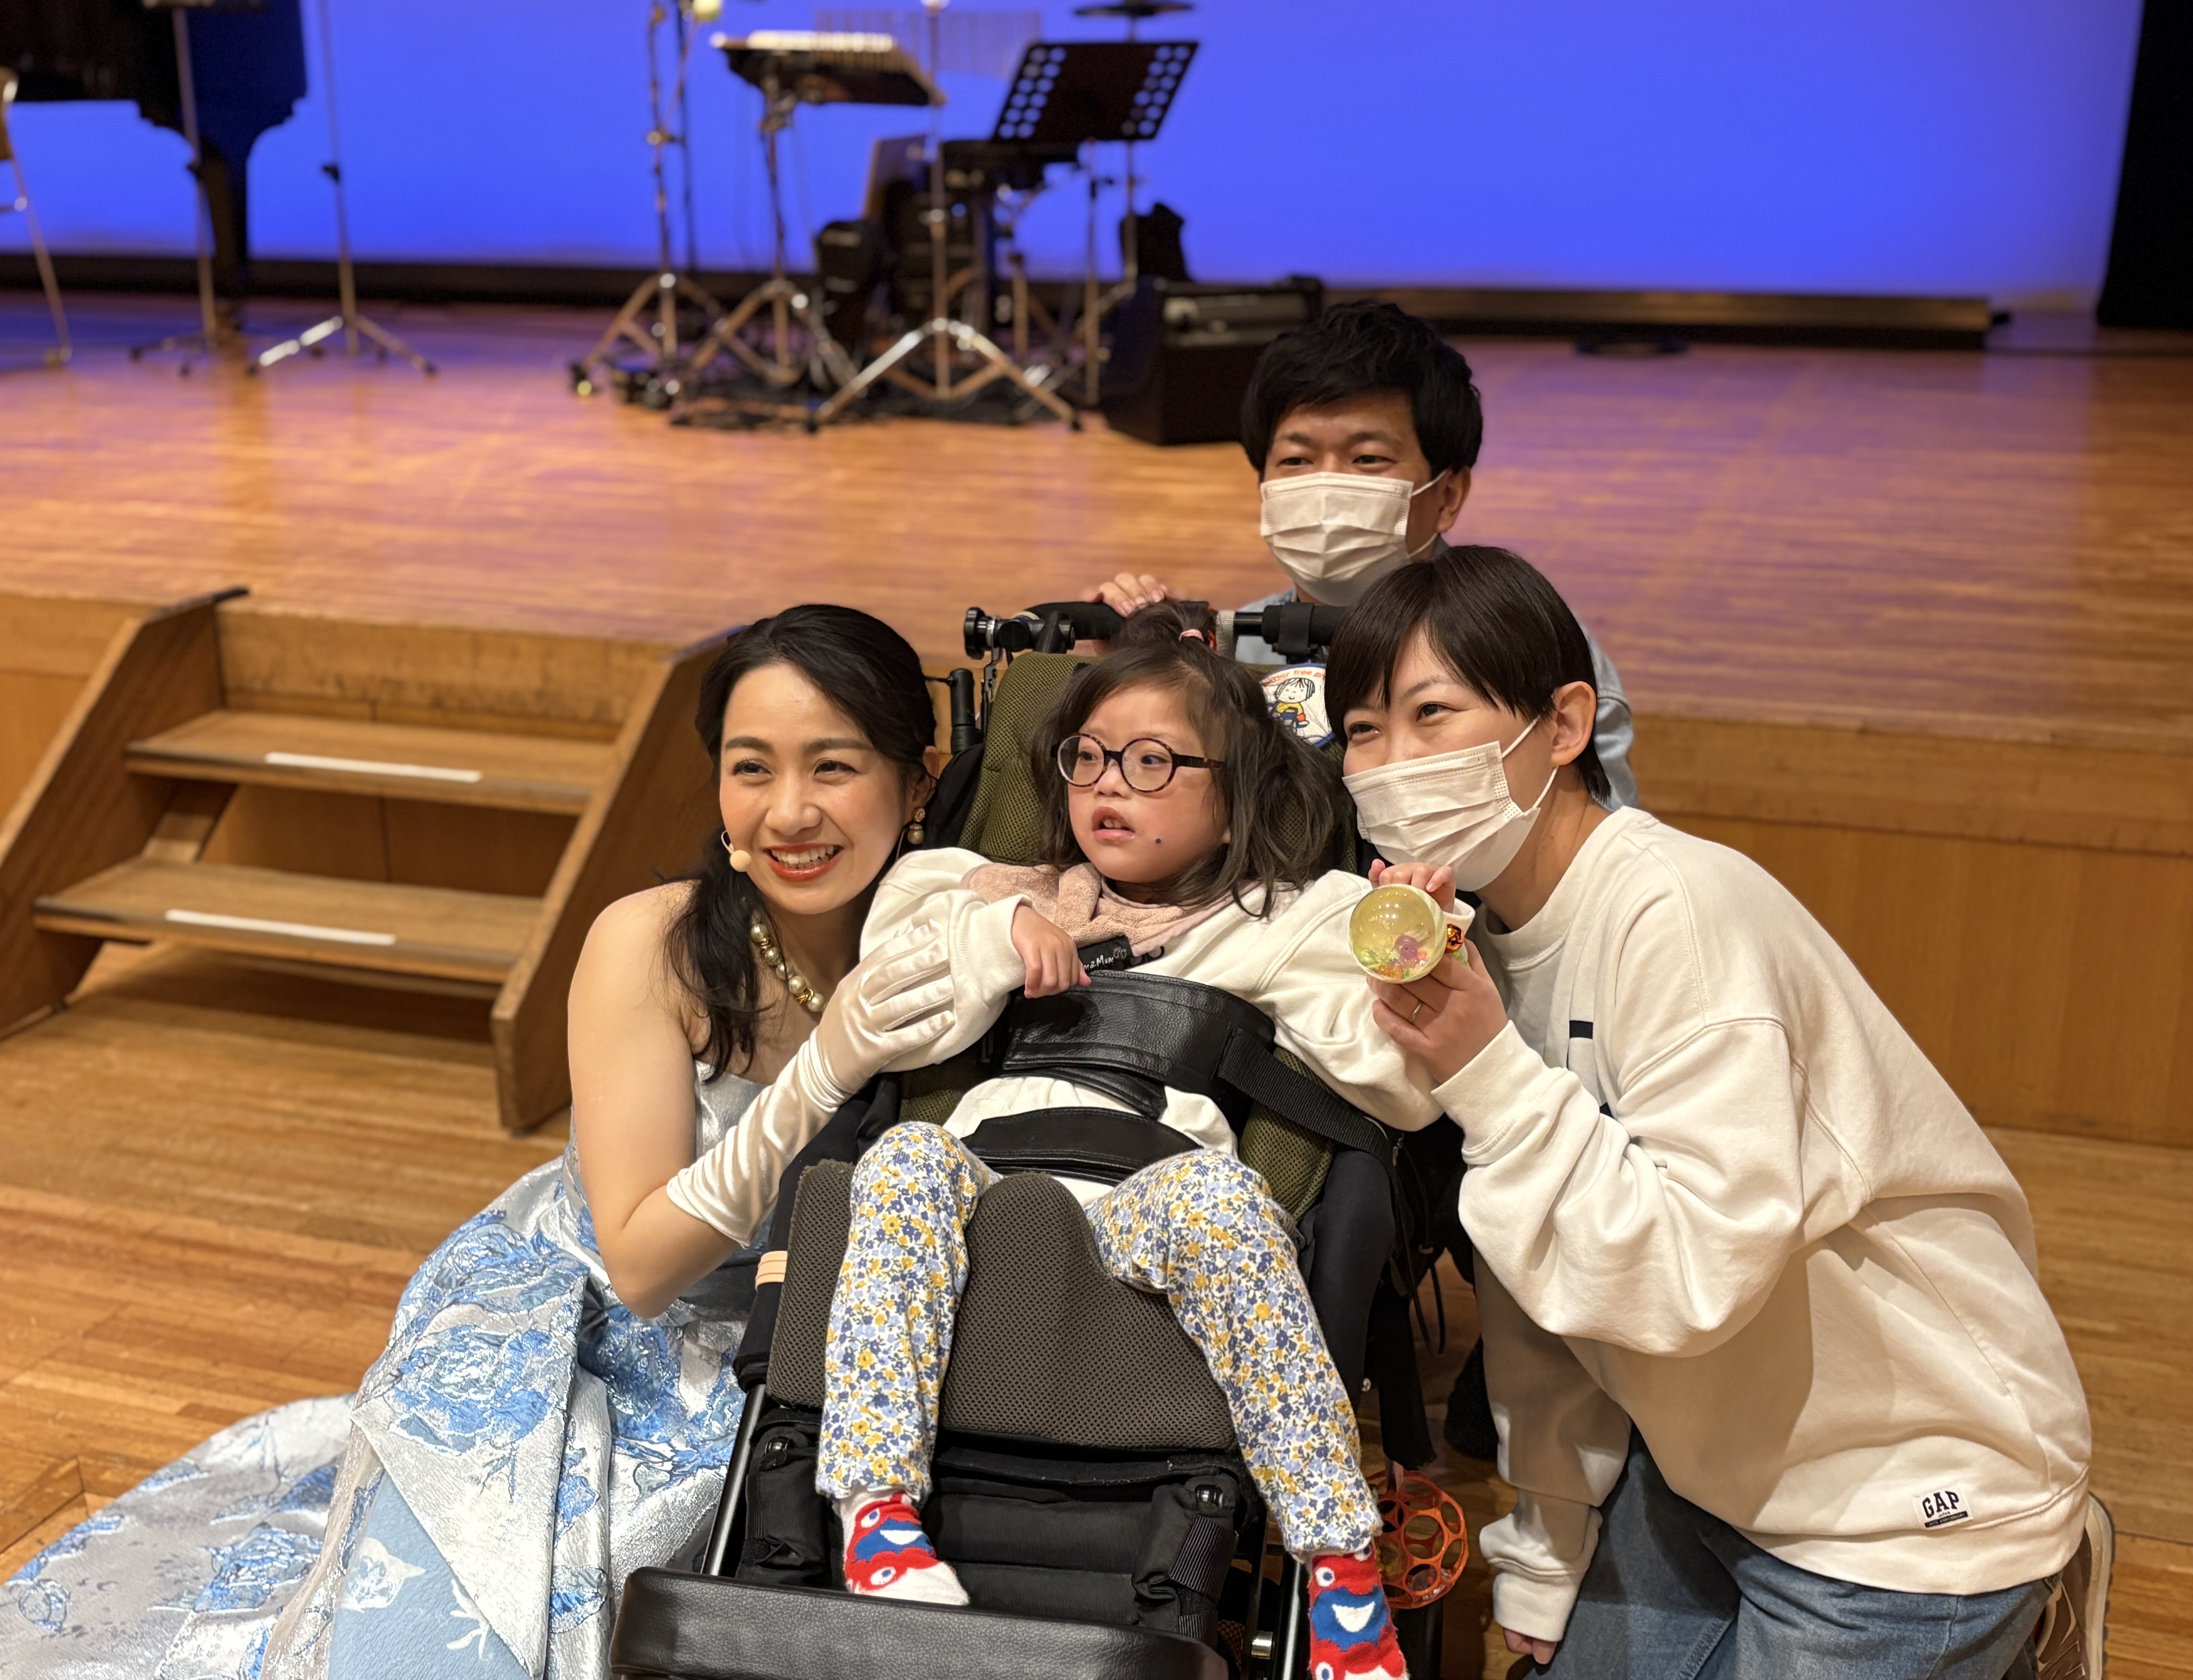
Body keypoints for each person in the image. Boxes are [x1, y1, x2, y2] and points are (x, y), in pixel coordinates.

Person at [0, 606, 962, 1680]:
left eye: (834, 766)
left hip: (789, 1342)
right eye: (751, 767)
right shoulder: (651, 944)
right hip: (586, 1317)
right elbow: (638, 1267)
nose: (789, 811)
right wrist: (822, 1072)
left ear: (919, 783)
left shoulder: (949, 932)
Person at [1327, 546, 2101, 1678]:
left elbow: (1690, 1277)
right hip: (1707, 1469)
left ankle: (2021, 1603)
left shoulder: (1679, 911)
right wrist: (1547, 1539)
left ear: (1564, 724)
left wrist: (1489, 1072)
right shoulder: (1475, 951)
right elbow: (1538, 1282)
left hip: (1910, 1499)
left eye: (1431, 713)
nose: (1394, 763)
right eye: (1362, 730)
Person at [816, 609, 1445, 1680]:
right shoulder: (1010, 888)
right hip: (990, 1180)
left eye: (1153, 763)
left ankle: (1339, 1565)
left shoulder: (1284, 919)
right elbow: (890, 968)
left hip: (1147, 1198)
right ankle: (876, 1511)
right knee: (899, 1161)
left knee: (1223, 1199)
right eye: (1090, 758)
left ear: (1236, 793)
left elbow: (1397, 1084)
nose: (1111, 784)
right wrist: (1002, 935)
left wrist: (1404, 952)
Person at [1086, 298, 1639, 810]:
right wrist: (1132, 674)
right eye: (1296, 461)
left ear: (1448, 495)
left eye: (1368, 459)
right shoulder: (1233, 645)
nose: (1326, 487)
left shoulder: (1534, 646)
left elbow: (1595, 848)